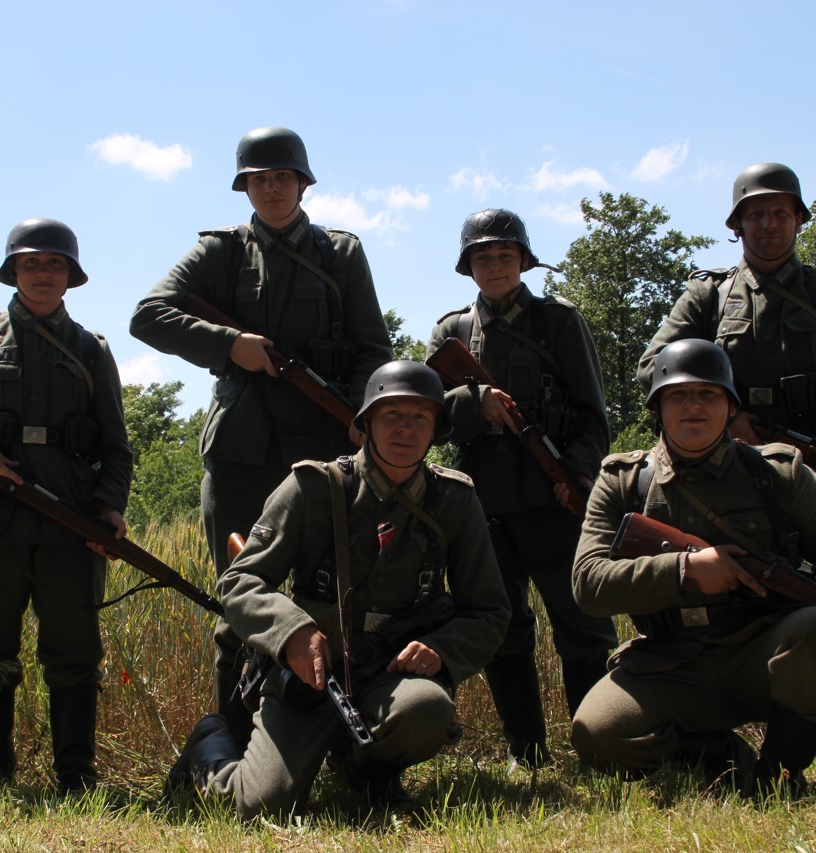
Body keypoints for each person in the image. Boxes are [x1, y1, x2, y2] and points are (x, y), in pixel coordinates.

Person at [636, 162, 816, 751]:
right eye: (756, 214)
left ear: (797, 220)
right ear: (737, 225)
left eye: (779, 213)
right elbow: (653, 366)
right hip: (744, 468)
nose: (768, 224)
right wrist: (728, 417)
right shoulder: (708, 295)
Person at [130, 127, 392, 742]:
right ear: (245, 187)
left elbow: (372, 348)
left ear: (303, 183)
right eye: (259, 179)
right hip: (241, 453)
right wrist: (231, 345)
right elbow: (149, 315)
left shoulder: (340, 254)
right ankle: (234, 743)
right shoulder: (220, 252)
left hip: (324, 450)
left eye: (282, 178)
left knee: (333, 598)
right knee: (239, 601)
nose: (271, 188)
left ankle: (336, 744)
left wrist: (359, 414)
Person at [163, 361, 510, 819]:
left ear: (435, 431)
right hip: (313, 675)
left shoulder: (454, 500)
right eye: (392, 415)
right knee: (263, 805)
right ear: (366, 423)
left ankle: (366, 776)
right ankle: (209, 746)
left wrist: (441, 650)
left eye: (420, 417)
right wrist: (291, 633)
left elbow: (489, 610)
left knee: (426, 710)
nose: (405, 429)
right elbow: (240, 581)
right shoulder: (313, 487)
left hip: (390, 675)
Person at [572, 339, 816, 792]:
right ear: (657, 408)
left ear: (731, 406)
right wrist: (685, 571)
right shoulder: (622, 481)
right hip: (671, 662)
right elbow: (589, 584)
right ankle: (725, 760)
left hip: (764, 652)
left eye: (708, 394)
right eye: (678, 395)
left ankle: (778, 774)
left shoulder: (779, 473)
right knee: (599, 733)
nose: (693, 406)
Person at [0, 217, 133, 795]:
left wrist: (109, 507)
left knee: (75, 654)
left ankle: (76, 779)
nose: (42, 273)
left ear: (71, 275)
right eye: (31, 263)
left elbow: (116, 447)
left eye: (54, 263)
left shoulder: (90, 349)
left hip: (69, 523)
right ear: (12, 271)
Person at [426, 209, 616, 769]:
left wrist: (575, 475)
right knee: (503, 628)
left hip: (552, 499)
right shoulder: (452, 333)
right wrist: (473, 403)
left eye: (505, 255)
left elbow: (592, 417)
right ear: (468, 266)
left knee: (583, 625)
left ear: (523, 261)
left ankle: (595, 745)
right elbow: (426, 419)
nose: (495, 266)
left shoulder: (559, 322)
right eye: (483, 257)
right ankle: (526, 753)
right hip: (483, 504)